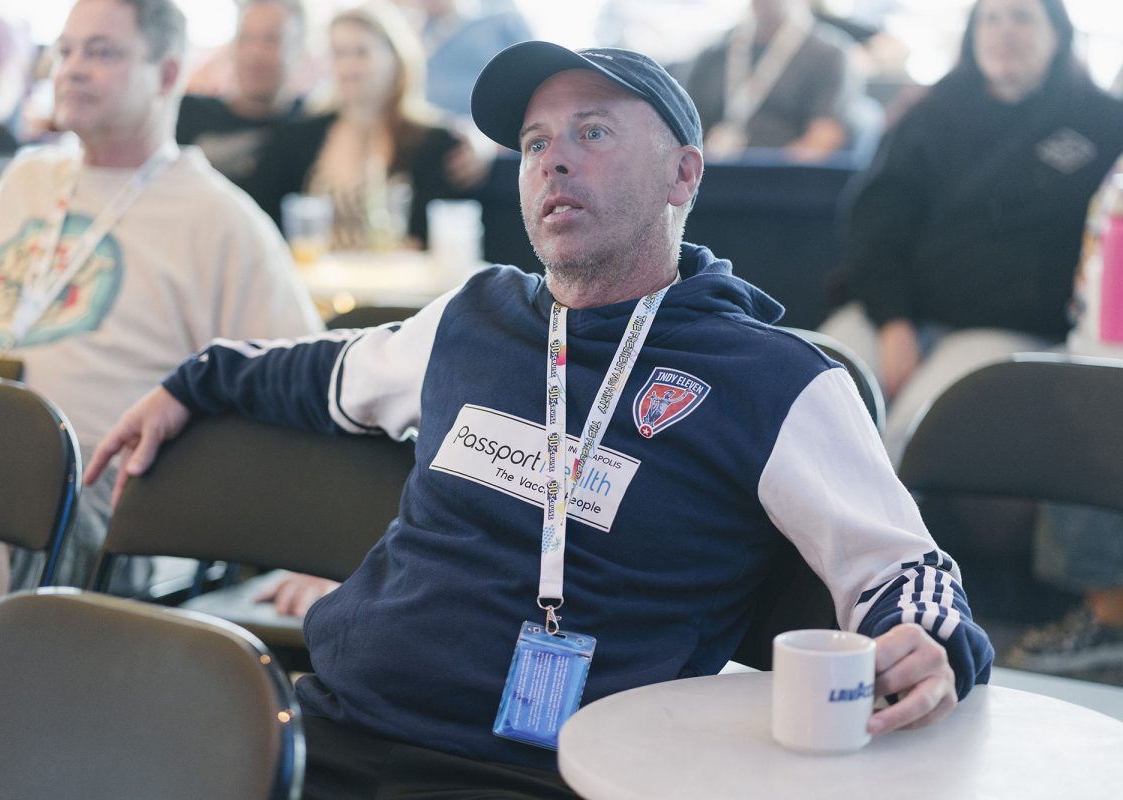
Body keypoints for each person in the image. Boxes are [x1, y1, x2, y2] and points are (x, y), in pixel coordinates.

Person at [88, 39, 992, 797]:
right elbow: (318, 371)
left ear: (683, 173)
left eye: (592, 132)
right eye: (534, 142)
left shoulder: (777, 379)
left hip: (554, 773)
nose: (554, 160)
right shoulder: (473, 318)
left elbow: (904, 570)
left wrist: (932, 646)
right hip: (333, 732)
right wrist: (192, 383)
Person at [0, 0, 321, 650]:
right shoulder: (29, 178)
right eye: (67, 50)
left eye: (101, 52)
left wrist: (319, 557)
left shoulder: (220, 221)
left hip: (82, 502)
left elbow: (315, 383)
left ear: (168, 74)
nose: (73, 68)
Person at [821, 0, 1123, 465]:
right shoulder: (929, 113)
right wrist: (893, 320)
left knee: (910, 437)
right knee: (810, 402)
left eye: (1022, 18)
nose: (1004, 32)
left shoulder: (1103, 123)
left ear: (1058, 35)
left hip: (1009, 328)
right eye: (990, 19)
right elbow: (874, 225)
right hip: (895, 312)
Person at [1002, 153, 1123, 678]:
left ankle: (1110, 619)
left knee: (1086, 402)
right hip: (1098, 337)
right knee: (1051, 389)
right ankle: (1104, 609)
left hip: (1110, 351)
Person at [244, 1, 488, 250]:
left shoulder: (434, 141)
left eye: (361, 53)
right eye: (339, 54)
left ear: (395, 58)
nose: (348, 67)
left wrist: (481, 143)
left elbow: (438, 236)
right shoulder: (297, 136)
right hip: (314, 273)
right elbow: (262, 223)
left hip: (401, 275)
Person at [683, 0, 869, 161]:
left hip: (782, 176)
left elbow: (823, 137)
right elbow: (687, 125)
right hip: (711, 169)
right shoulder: (716, 52)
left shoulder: (829, 55)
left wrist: (768, 173)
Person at [176, 0, 307, 191]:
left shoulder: (313, 128)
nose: (255, 53)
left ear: (299, 50)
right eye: (246, 38)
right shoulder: (187, 112)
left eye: (271, 39)